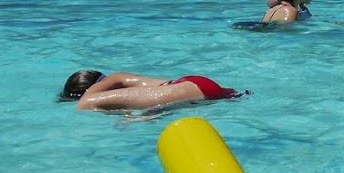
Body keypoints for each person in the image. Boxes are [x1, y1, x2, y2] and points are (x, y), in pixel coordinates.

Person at [59, 70, 244, 111]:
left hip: (191, 87)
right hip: (191, 84)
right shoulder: (131, 91)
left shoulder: (112, 81)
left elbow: (84, 104)